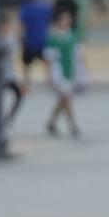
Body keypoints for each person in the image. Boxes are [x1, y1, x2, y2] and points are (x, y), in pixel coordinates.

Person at [43, 8, 80, 137]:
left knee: (62, 100)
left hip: (68, 71)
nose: (67, 21)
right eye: (64, 18)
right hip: (57, 72)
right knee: (66, 98)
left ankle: (51, 122)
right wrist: (47, 74)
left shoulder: (71, 36)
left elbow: (75, 55)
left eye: (68, 18)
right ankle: (73, 125)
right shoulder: (53, 37)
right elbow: (48, 57)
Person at [18, 0, 53, 86]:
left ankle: (26, 81)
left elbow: (21, 25)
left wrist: (20, 39)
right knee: (46, 60)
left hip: (29, 40)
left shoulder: (25, 7)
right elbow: (50, 22)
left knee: (26, 63)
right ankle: (49, 79)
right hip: (42, 39)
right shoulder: (45, 6)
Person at [0, 12, 25, 126]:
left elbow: (15, 55)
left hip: (9, 72)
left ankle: (9, 117)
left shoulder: (11, 37)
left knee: (19, 94)